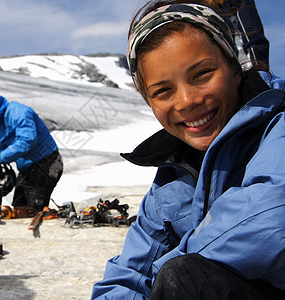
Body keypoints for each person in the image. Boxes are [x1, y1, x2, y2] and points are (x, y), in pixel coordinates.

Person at [91, 1, 284, 299]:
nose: (186, 101)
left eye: (202, 74)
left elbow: (268, 221)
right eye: (163, 91)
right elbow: (130, 274)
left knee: (183, 278)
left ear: (234, 69)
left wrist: (164, 279)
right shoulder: (171, 180)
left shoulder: (278, 123)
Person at [0, 85, 63, 217]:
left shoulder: (19, 112)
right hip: (28, 167)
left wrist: (0, 158)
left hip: (48, 163)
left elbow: (27, 140)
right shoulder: (0, 122)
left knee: (34, 209)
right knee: (19, 208)